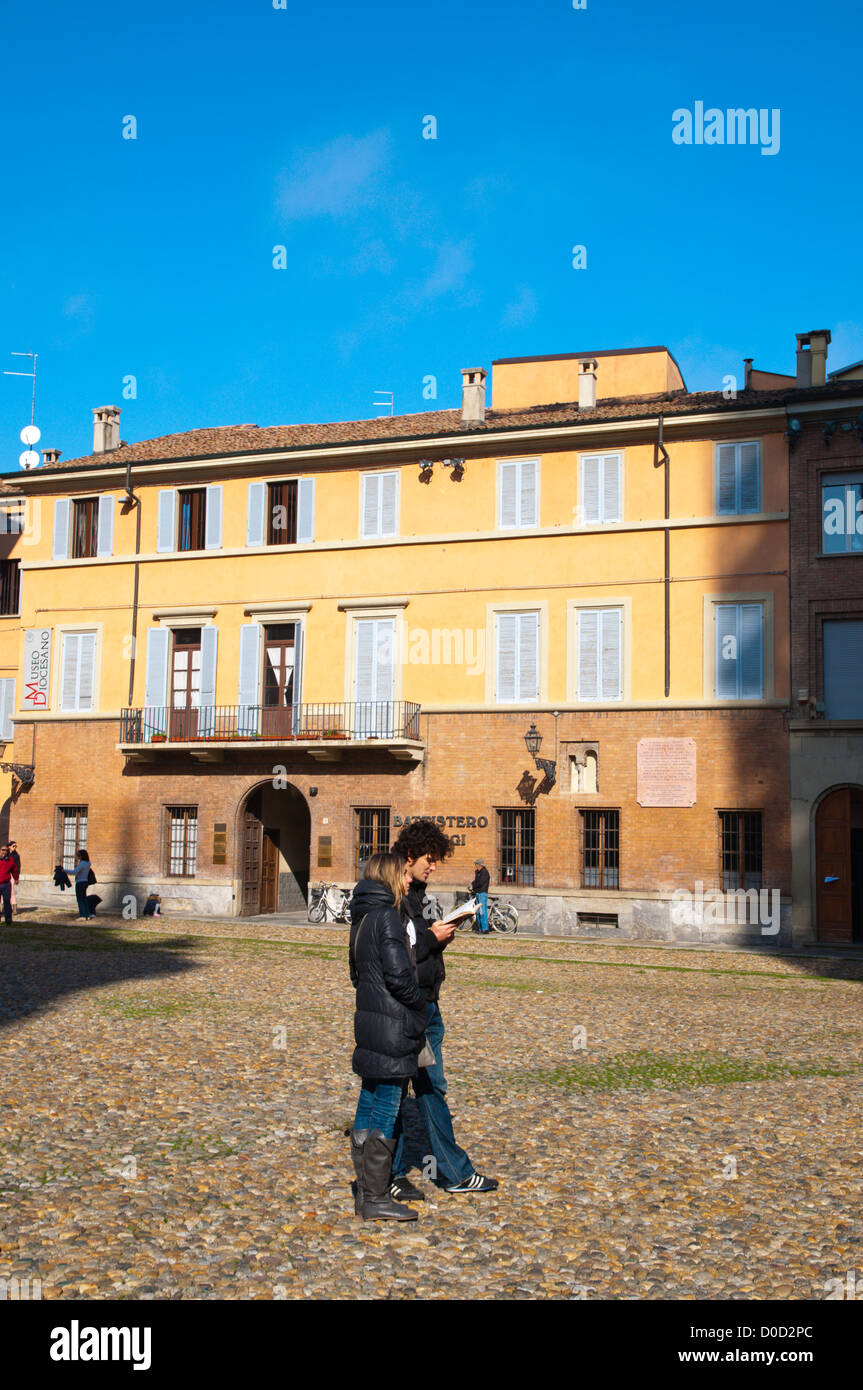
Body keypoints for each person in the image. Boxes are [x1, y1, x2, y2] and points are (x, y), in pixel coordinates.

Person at [391, 819, 498, 1196]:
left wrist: (435, 938)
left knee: (427, 1085)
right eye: (430, 859)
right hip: (408, 1009)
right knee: (399, 1090)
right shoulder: (392, 893)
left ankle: (450, 1171)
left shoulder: (414, 892)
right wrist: (430, 941)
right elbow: (393, 957)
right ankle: (391, 1176)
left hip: (426, 1005)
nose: (434, 867)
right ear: (409, 857)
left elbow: (412, 947)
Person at [349, 851, 428, 1221]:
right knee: (388, 1102)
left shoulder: (362, 918)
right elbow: (399, 977)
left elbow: (356, 973)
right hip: (394, 1025)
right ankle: (377, 1194)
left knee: (369, 1096)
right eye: (403, 874)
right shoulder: (388, 918)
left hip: (371, 1022)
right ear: (390, 877)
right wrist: (420, 1005)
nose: (409, 879)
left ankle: (365, 1192)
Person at [74, 849, 96, 920]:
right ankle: (87, 914)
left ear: (81, 856)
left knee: (80, 899)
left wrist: (64, 870)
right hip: (85, 882)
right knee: (84, 899)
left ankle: (82, 915)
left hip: (80, 882)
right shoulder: (88, 863)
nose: (78, 857)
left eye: (78, 855)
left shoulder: (82, 863)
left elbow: (75, 872)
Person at [471, 858, 491, 934]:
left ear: (480, 865)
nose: (475, 866)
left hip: (482, 893)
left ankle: (485, 929)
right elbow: (476, 881)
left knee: (482, 912)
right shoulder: (478, 872)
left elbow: (480, 883)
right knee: (478, 911)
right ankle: (480, 928)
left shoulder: (484, 872)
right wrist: (472, 884)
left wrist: (473, 885)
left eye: (476, 864)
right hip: (477, 893)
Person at [0, 845, 18, 925]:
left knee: (7, 901)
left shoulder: (10, 860)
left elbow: (14, 870)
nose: (4, 852)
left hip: (6, 884)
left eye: (6, 850)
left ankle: (8, 919)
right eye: (2, 850)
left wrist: (16, 878)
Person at [6, 841, 20, 915]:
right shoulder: (5, 854)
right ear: (9, 847)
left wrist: (17, 878)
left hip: (11, 875)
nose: (14, 847)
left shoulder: (16, 856)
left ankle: (14, 909)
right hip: (4, 875)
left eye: (15, 846)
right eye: (13, 846)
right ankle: (4, 908)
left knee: (11, 892)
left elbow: (18, 867)